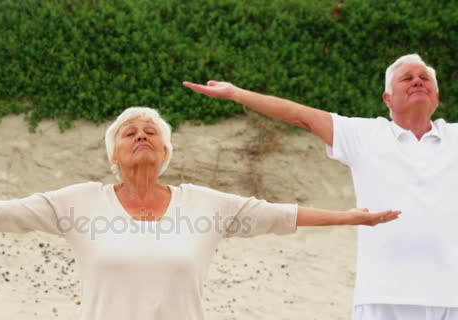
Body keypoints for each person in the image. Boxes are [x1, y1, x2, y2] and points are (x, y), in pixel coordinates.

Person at [0, 107, 400, 320]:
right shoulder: (78, 202)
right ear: (113, 153)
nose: (143, 135)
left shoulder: (205, 205)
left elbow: (280, 215)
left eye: (153, 131)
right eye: (130, 131)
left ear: (167, 152)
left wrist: (350, 217)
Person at [183, 53, 458, 320]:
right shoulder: (365, 135)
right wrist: (236, 93)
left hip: (451, 295)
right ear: (387, 98)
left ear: (436, 96)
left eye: (424, 77)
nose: (418, 81)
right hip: (383, 294)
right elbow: (298, 114)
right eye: (407, 78)